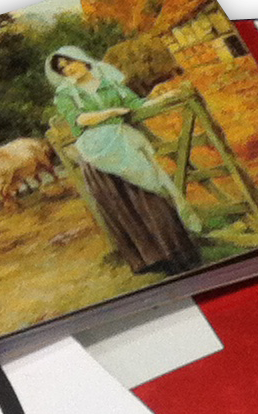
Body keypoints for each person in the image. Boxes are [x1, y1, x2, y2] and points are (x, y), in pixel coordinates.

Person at [45, 45, 202, 275]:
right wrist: (110, 113)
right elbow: (78, 119)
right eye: (62, 68)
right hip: (96, 153)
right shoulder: (66, 94)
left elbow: (135, 104)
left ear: (82, 59)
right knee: (124, 206)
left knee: (152, 195)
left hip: (124, 144)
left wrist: (164, 98)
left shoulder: (109, 82)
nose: (68, 69)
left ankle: (179, 253)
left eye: (70, 62)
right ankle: (153, 260)